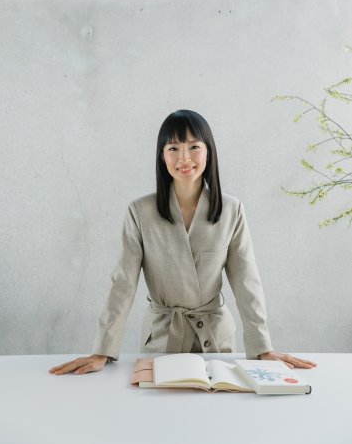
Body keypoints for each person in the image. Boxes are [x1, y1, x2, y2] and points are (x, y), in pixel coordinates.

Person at [49, 109, 317, 376]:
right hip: (162, 339)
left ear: (208, 151)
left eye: (194, 147)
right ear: (162, 155)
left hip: (217, 342)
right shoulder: (140, 211)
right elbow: (122, 283)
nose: (184, 158)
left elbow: (247, 282)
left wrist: (262, 348)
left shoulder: (231, 209)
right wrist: (102, 350)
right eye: (173, 148)